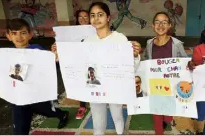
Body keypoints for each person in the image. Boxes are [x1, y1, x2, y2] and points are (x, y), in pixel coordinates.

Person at [51, 2, 141, 135]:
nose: (96, 18)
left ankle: (121, 133)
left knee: (117, 115)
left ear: (108, 17)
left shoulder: (120, 38)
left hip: (114, 86)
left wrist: (134, 54)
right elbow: (78, 63)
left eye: (100, 15)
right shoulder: (88, 41)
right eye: (92, 15)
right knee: (98, 124)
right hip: (95, 87)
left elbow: (129, 65)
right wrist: (60, 54)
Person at [0, 18, 69, 135]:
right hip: (18, 99)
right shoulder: (7, 54)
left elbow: (51, 67)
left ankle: (62, 114)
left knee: (48, 111)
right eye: (14, 33)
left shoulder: (37, 50)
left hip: (37, 95)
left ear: (30, 35)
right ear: (8, 36)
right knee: (19, 131)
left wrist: (55, 58)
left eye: (23, 33)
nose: (19, 37)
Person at [142, 11, 188, 135]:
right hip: (155, 84)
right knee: (156, 114)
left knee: (168, 115)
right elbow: (145, 59)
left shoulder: (177, 44)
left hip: (172, 85)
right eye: (157, 22)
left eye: (164, 22)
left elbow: (185, 61)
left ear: (169, 25)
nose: (160, 25)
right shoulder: (149, 43)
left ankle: (167, 119)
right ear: (152, 26)